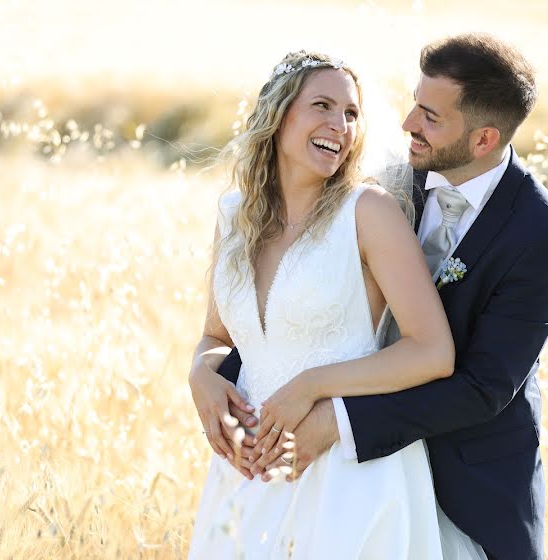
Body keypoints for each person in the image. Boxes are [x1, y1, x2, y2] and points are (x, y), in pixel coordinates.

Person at [212, 34, 548, 560]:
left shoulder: (543, 236)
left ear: (483, 139)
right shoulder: (385, 178)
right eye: (414, 102)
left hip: (464, 473)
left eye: (430, 116)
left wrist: (335, 422)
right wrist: (209, 375)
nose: (408, 123)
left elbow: (481, 388)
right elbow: (296, 300)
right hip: (316, 463)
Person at [187, 51, 486, 558]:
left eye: (351, 113)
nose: (340, 126)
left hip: (348, 476)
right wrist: (200, 375)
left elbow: (433, 351)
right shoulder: (234, 215)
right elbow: (218, 337)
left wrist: (311, 387)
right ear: (278, 115)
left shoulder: (368, 213)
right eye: (322, 106)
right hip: (247, 473)